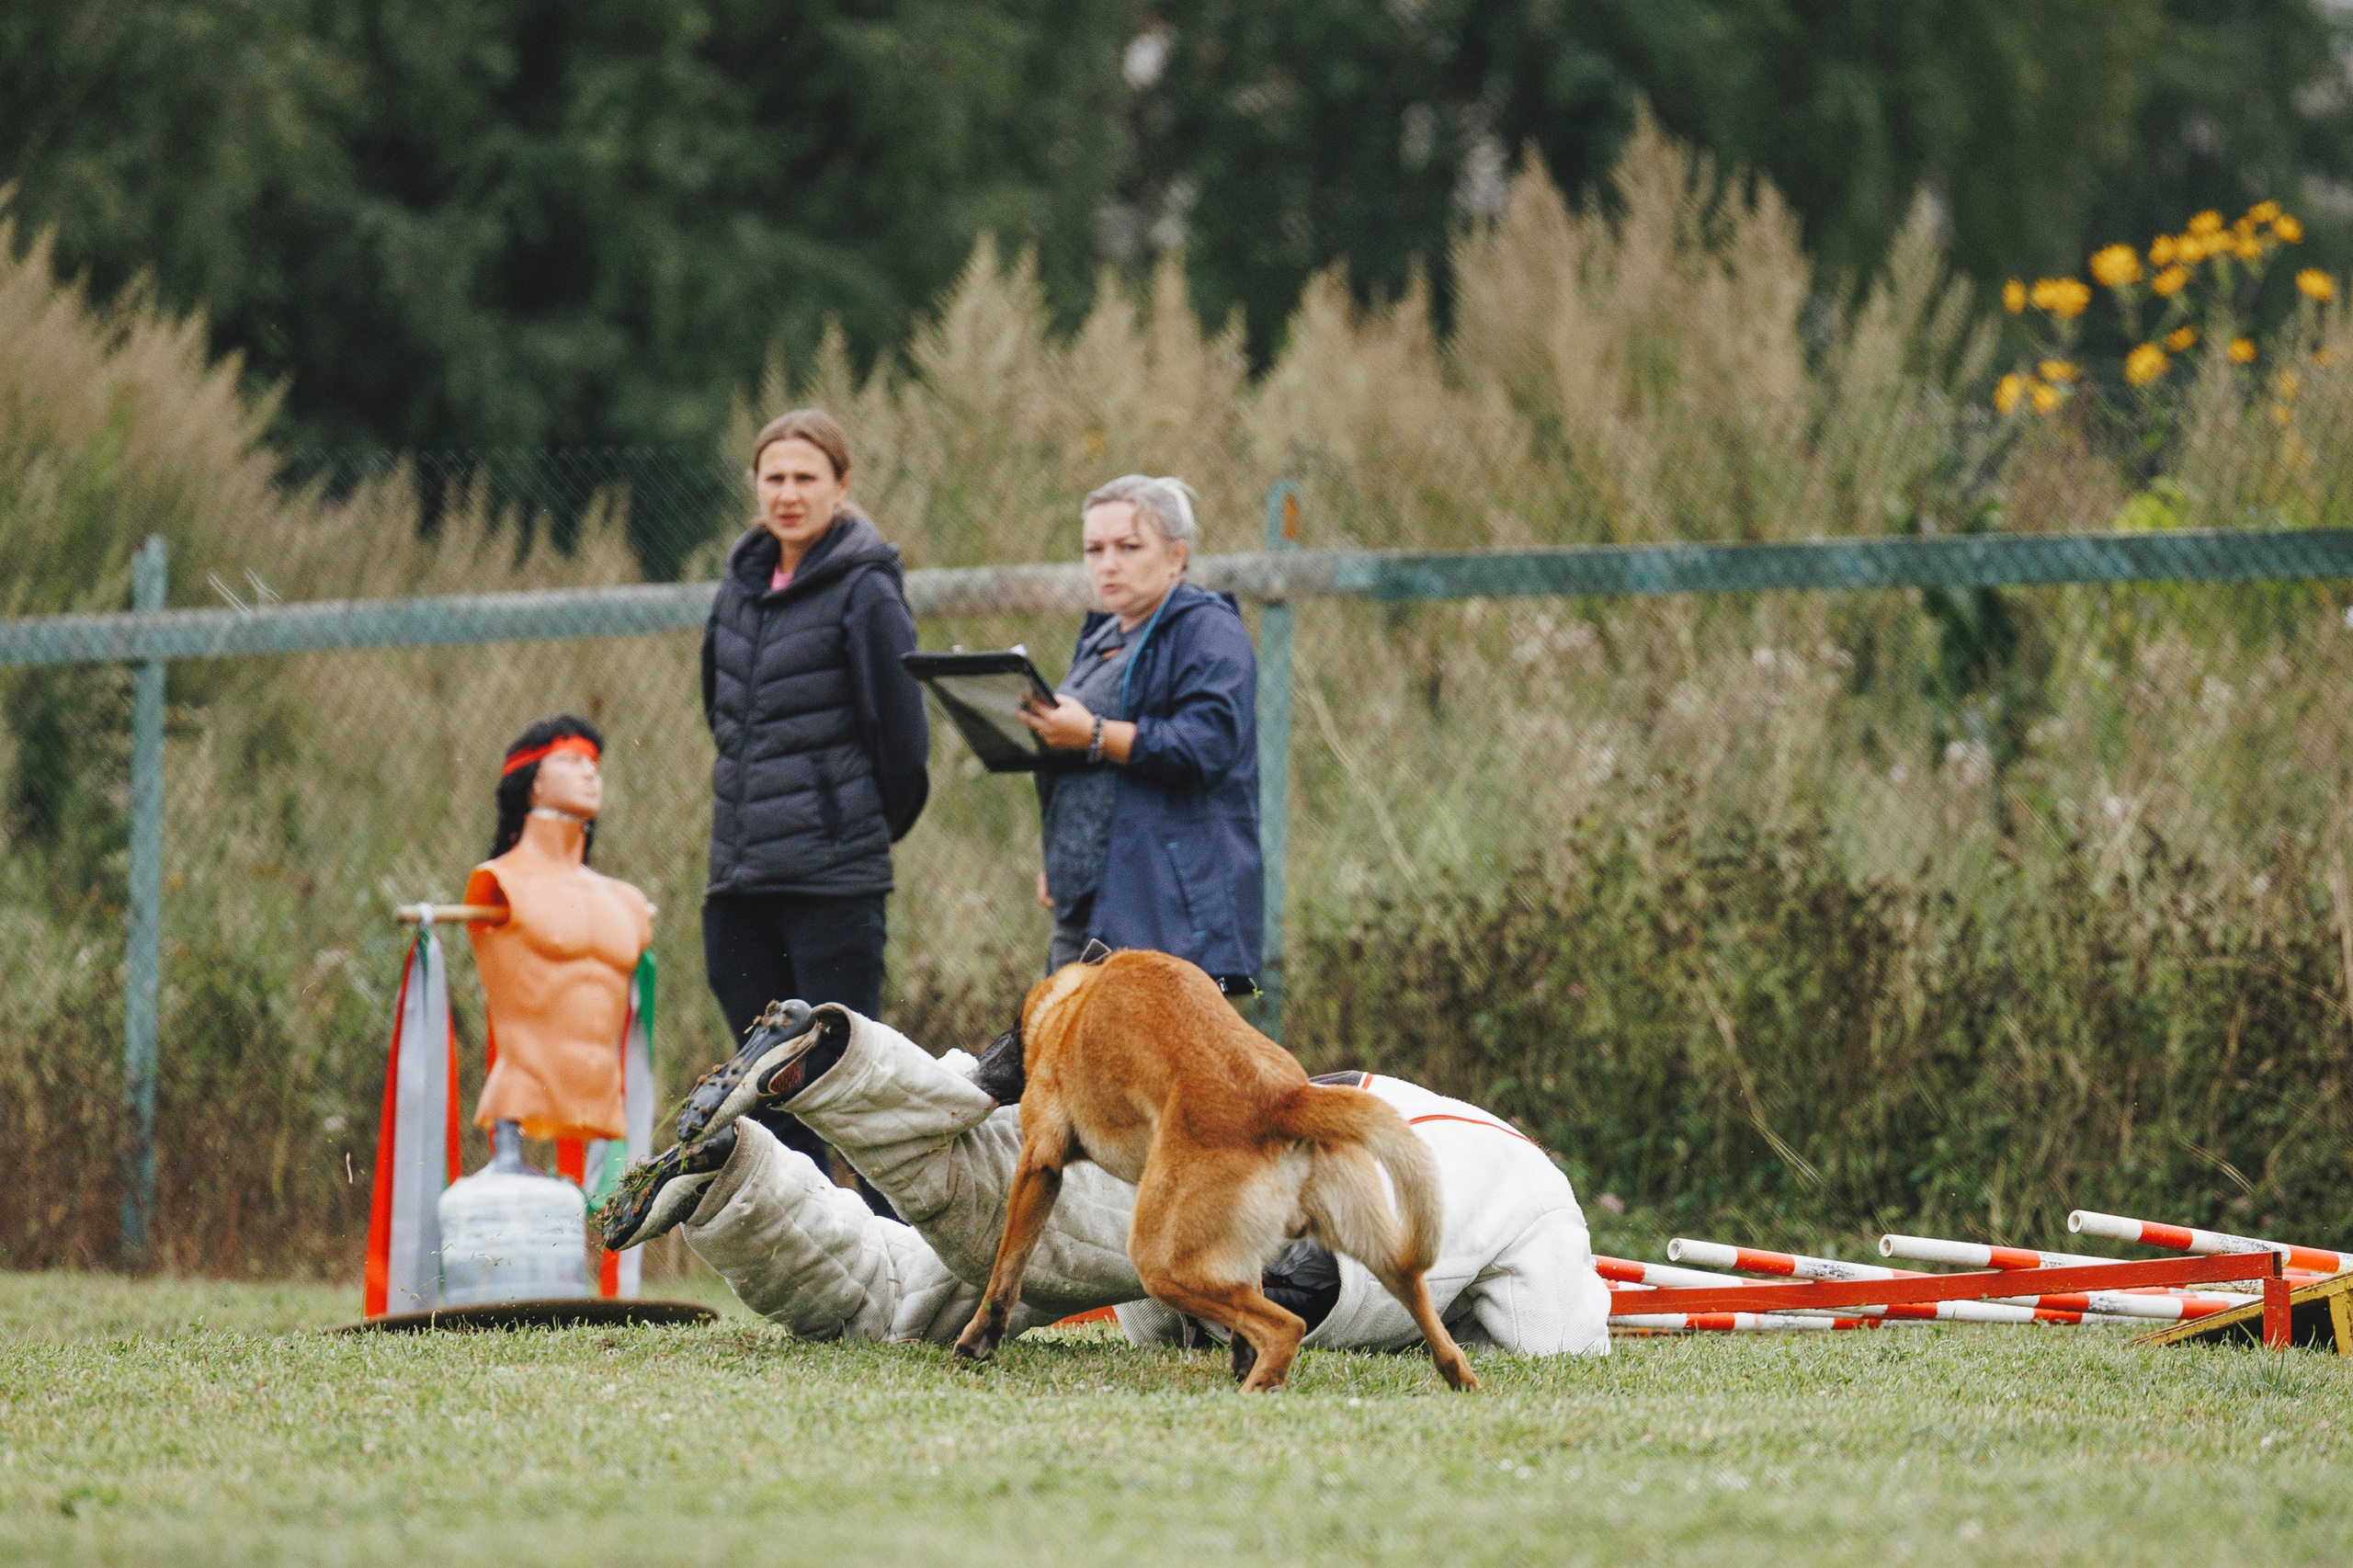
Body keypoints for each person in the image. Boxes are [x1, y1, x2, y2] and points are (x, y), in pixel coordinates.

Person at [604, 999, 1613, 1358]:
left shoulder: (1462, 1133)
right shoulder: (1538, 1197)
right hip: (1292, 1228)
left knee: (897, 1294)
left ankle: (737, 1180)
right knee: (1018, 1242)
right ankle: (851, 1075)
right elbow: (1558, 1343)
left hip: (1243, 1147)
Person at [699, 409, 928, 1211]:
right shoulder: (737, 589)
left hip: (835, 880)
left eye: (806, 477)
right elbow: (723, 718)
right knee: (768, 1079)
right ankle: (815, 1248)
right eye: (774, 478)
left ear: (841, 484)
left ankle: (896, 1250)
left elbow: (903, 744)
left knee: (845, 1078)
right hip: (739, 877)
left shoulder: (867, 591)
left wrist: (849, 830)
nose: (789, 494)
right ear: (756, 486)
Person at [1019, 475, 1262, 992]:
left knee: (1155, 1067)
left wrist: (1095, 733)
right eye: (1094, 549)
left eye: (1129, 547)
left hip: (1166, 903)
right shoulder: (1102, 636)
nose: (1108, 564)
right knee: (1062, 1056)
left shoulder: (1209, 630)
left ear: (1176, 557)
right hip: (1086, 898)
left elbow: (1207, 744)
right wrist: (1061, 858)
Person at [462, 715, 653, 1145]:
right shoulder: (501, 881)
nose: (590, 772)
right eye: (570, 761)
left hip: (607, 1117)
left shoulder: (627, 901)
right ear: (533, 783)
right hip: (522, 1100)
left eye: (594, 765)